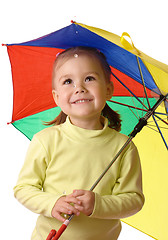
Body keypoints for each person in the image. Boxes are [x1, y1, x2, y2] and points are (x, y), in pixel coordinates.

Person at [13, 47, 145, 240]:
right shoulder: (45, 140)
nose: (79, 88)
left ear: (108, 90)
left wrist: (97, 204)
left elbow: (134, 199)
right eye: (68, 81)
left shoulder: (123, 147)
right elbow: (23, 189)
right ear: (56, 97)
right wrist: (53, 203)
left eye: (89, 78)